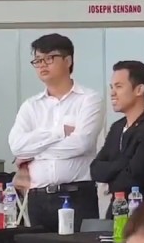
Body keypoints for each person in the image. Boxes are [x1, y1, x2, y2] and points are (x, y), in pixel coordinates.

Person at [8, 33, 104, 231]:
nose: (42, 65)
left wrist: (34, 153)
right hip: (38, 197)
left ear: (68, 61)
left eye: (49, 58)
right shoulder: (31, 106)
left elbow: (81, 144)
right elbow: (16, 146)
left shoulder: (89, 99)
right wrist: (59, 132)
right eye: (37, 60)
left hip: (77, 194)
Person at [90, 60, 144, 204]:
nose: (112, 93)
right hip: (118, 207)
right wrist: (124, 163)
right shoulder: (117, 127)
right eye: (112, 87)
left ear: (139, 90)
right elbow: (95, 169)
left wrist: (111, 178)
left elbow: (135, 176)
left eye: (119, 86)